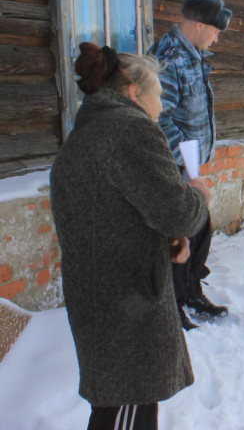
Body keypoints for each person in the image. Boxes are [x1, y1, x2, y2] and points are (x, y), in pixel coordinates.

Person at [51, 43, 210, 430]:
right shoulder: (132, 128)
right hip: (127, 308)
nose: (161, 106)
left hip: (102, 302)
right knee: (125, 412)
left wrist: (165, 240)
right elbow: (178, 211)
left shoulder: (85, 134)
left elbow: (112, 212)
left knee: (119, 412)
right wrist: (198, 195)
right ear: (134, 93)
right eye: (158, 95)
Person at [148, 0, 232, 330]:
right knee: (179, 235)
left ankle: (191, 292)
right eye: (215, 30)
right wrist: (186, 166)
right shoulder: (169, 57)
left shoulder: (193, 55)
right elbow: (158, 116)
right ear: (198, 25)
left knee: (199, 231)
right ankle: (173, 304)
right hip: (174, 165)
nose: (217, 38)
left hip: (189, 164)